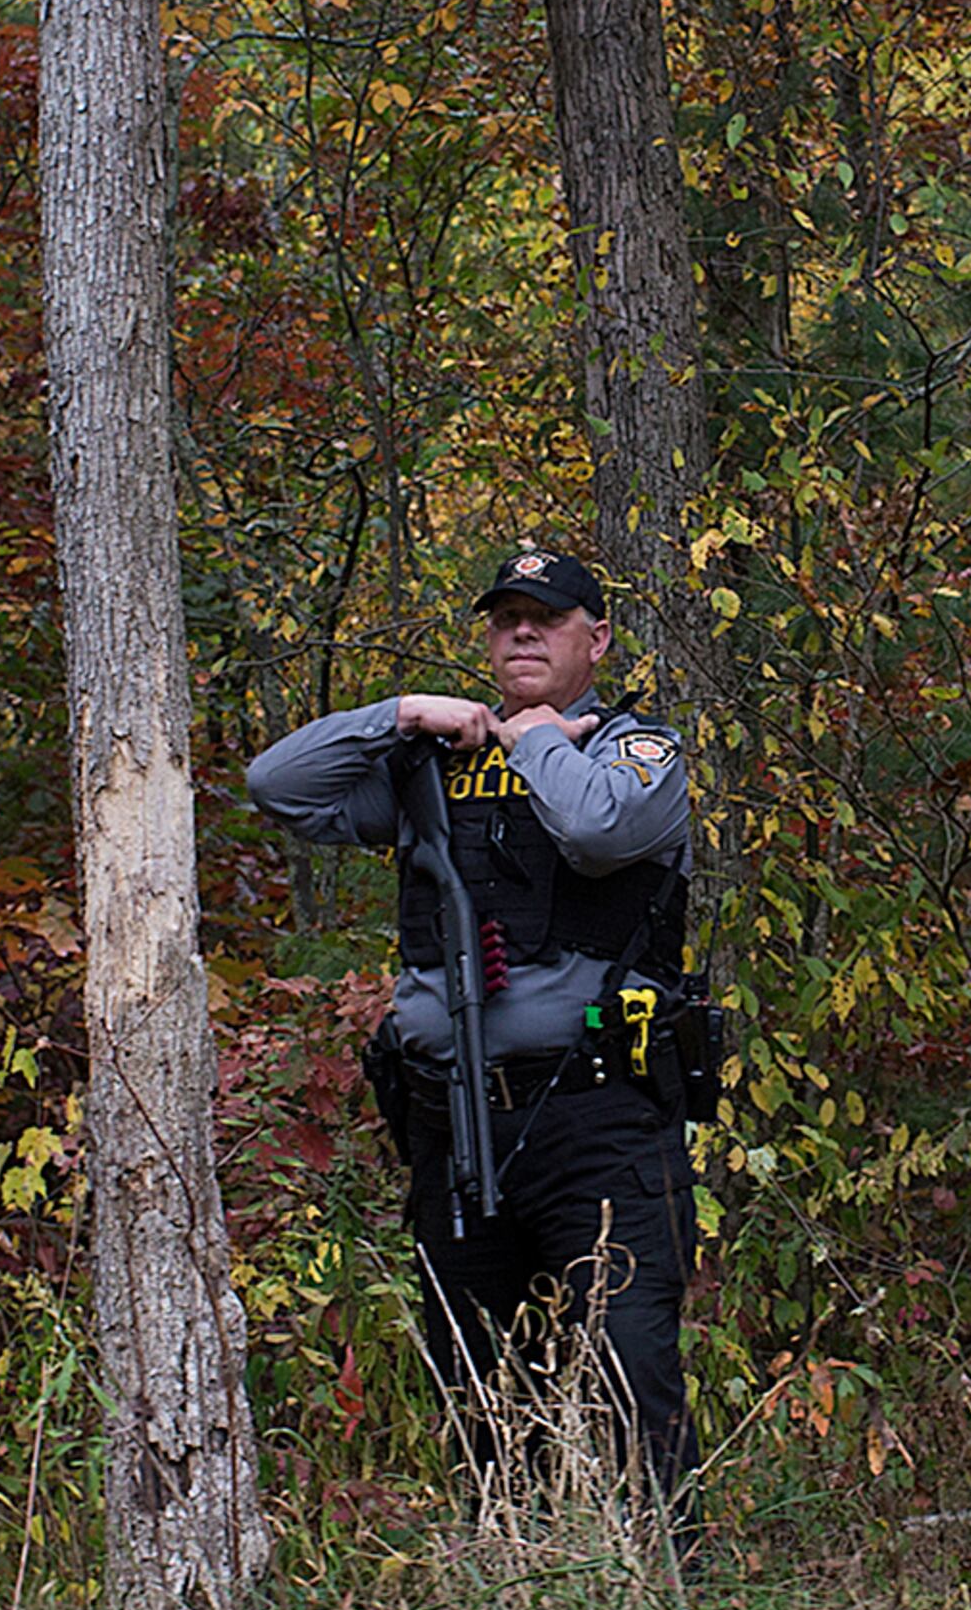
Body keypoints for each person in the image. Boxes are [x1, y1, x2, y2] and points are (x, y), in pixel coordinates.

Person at [245, 547, 701, 1521]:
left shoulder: (637, 750)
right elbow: (279, 785)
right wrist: (402, 715)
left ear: (597, 635)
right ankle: (520, 1594)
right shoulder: (435, 769)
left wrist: (535, 737)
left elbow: (600, 831)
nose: (522, 633)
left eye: (546, 616)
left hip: (601, 1121)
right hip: (454, 1126)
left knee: (629, 1369)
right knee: (482, 1382)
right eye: (505, 619)